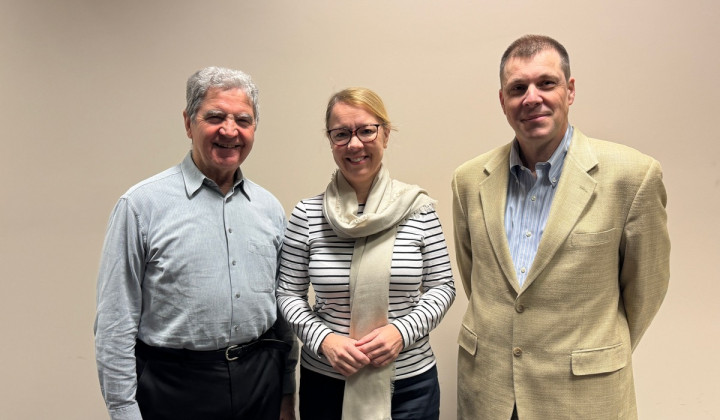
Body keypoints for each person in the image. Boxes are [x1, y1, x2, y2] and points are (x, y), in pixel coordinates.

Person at [452, 35, 670, 420]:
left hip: (583, 397)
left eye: (546, 83)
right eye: (517, 88)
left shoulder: (632, 176)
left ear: (569, 91)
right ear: (503, 101)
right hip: (489, 394)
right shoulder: (469, 180)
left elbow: (645, 289)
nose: (531, 98)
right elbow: (478, 282)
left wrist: (595, 352)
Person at [94, 66, 298, 420]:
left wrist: (286, 393)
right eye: (215, 116)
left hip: (261, 381)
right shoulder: (141, 205)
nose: (230, 131)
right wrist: (124, 410)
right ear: (188, 123)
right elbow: (115, 321)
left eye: (243, 120)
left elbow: (282, 312)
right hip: (175, 386)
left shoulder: (270, 208)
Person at [277, 87, 456, 420]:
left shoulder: (419, 210)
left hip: (409, 386)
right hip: (326, 381)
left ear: (385, 134)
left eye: (366, 131)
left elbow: (442, 288)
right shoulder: (306, 214)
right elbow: (287, 293)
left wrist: (401, 333)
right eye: (341, 134)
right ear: (330, 141)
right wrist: (324, 340)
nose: (354, 144)